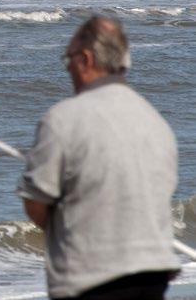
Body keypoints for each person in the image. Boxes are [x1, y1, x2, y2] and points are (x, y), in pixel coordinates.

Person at [18, 16, 179, 299]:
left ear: (85, 59)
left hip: (94, 277)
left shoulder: (63, 118)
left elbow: (35, 203)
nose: (67, 68)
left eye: (68, 59)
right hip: (155, 274)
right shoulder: (156, 122)